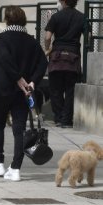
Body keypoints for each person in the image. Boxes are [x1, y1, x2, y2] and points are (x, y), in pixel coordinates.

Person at [0, 6, 48, 181]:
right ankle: (15, 168)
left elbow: (6, 59)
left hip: (2, 89)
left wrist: (17, 78)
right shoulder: (31, 41)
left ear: (7, 20)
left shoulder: (0, 38)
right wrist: (31, 82)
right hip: (24, 93)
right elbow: (43, 63)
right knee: (19, 129)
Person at [44, 0, 84, 128]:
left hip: (57, 56)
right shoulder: (82, 17)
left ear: (64, 1)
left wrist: (47, 49)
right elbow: (88, 35)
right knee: (71, 90)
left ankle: (59, 118)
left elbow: (47, 37)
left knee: (55, 89)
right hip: (73, 57)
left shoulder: (56, 17)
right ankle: (66, 120)